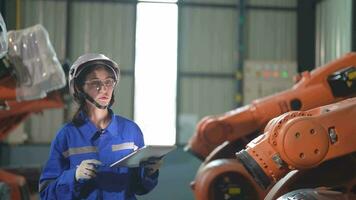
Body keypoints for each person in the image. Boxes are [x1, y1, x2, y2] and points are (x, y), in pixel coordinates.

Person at [39, 53, 162, 199]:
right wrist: (74, 176)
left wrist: (149, 173)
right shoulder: (66, 136)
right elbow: (46, 194)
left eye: (109, 82)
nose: (104, 89)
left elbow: (139, 188)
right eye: (95, 82)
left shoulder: (131, 132)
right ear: (79, 88)